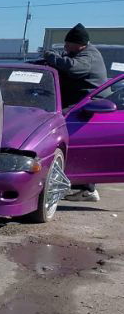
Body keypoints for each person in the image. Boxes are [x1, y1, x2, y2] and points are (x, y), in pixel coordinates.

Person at [42, 23, 107, 202]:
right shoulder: (79, 52)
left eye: (68, 44)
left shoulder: (88, 56)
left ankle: (88, 189)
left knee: (56, 125)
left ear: (79, 44)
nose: (65, 47)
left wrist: (50, 56)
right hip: (79, 102)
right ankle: (84, 186)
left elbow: (72, 67)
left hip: (89, 105)